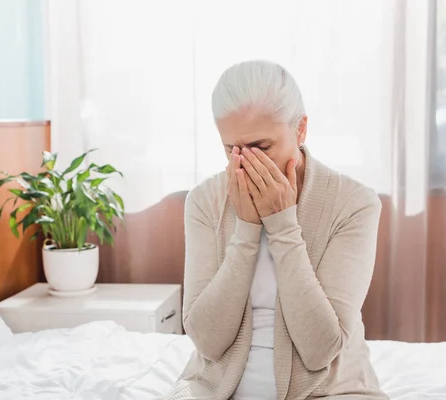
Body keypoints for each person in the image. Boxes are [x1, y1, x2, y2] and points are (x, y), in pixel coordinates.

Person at [164, 60, 388, 399]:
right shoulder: (204, 202)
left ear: (300, 130)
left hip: (328, 391)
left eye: (262, 147)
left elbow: (320, 349)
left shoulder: (354, 204)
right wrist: (246, 230)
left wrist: (283, 225)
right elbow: (207, 341)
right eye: (232, 150)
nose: (246, 165)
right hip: (217, 389)